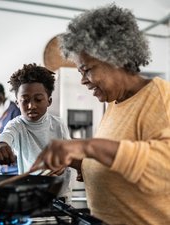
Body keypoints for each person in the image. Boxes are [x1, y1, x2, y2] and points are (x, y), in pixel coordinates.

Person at [30, 4, 170, 225]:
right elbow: (118, 164)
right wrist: (76, 160)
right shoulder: (115, 104)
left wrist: (86, 146)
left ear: (116, 57)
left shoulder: (160, 97)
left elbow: (163, 168)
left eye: (87, 69)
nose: (83, 80)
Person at [0, 63, 72, 202]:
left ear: (49, 101)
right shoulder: (17, 125)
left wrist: (64, 163)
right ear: (17, 103)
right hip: (32, 198)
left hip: (61, 197)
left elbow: (71, 153)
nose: (31, 106)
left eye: (38, 99)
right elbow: (5, 136)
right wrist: (0, 145)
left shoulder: (58, 125)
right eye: (25, 101)